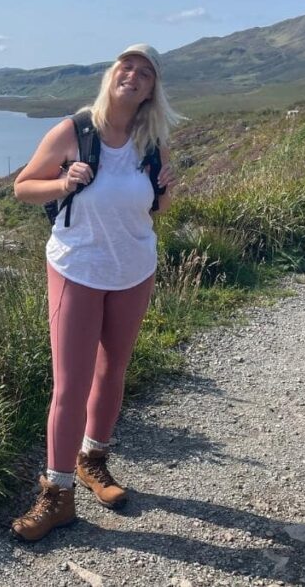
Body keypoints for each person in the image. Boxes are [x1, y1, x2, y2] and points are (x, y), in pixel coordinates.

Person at [10, 43, 182, 542]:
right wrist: (63, 183)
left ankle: (93, 460)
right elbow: (23, 186)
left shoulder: (152, 140)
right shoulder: (74, 130)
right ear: (112, 76)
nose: (133, 75)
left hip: (133, 269)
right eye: (126, 66)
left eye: (144, 72)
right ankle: (57, 494)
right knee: (71, 384)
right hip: (77, 269)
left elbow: (159, 209)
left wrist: (168, 189)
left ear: (152, 90)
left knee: (114, 370)